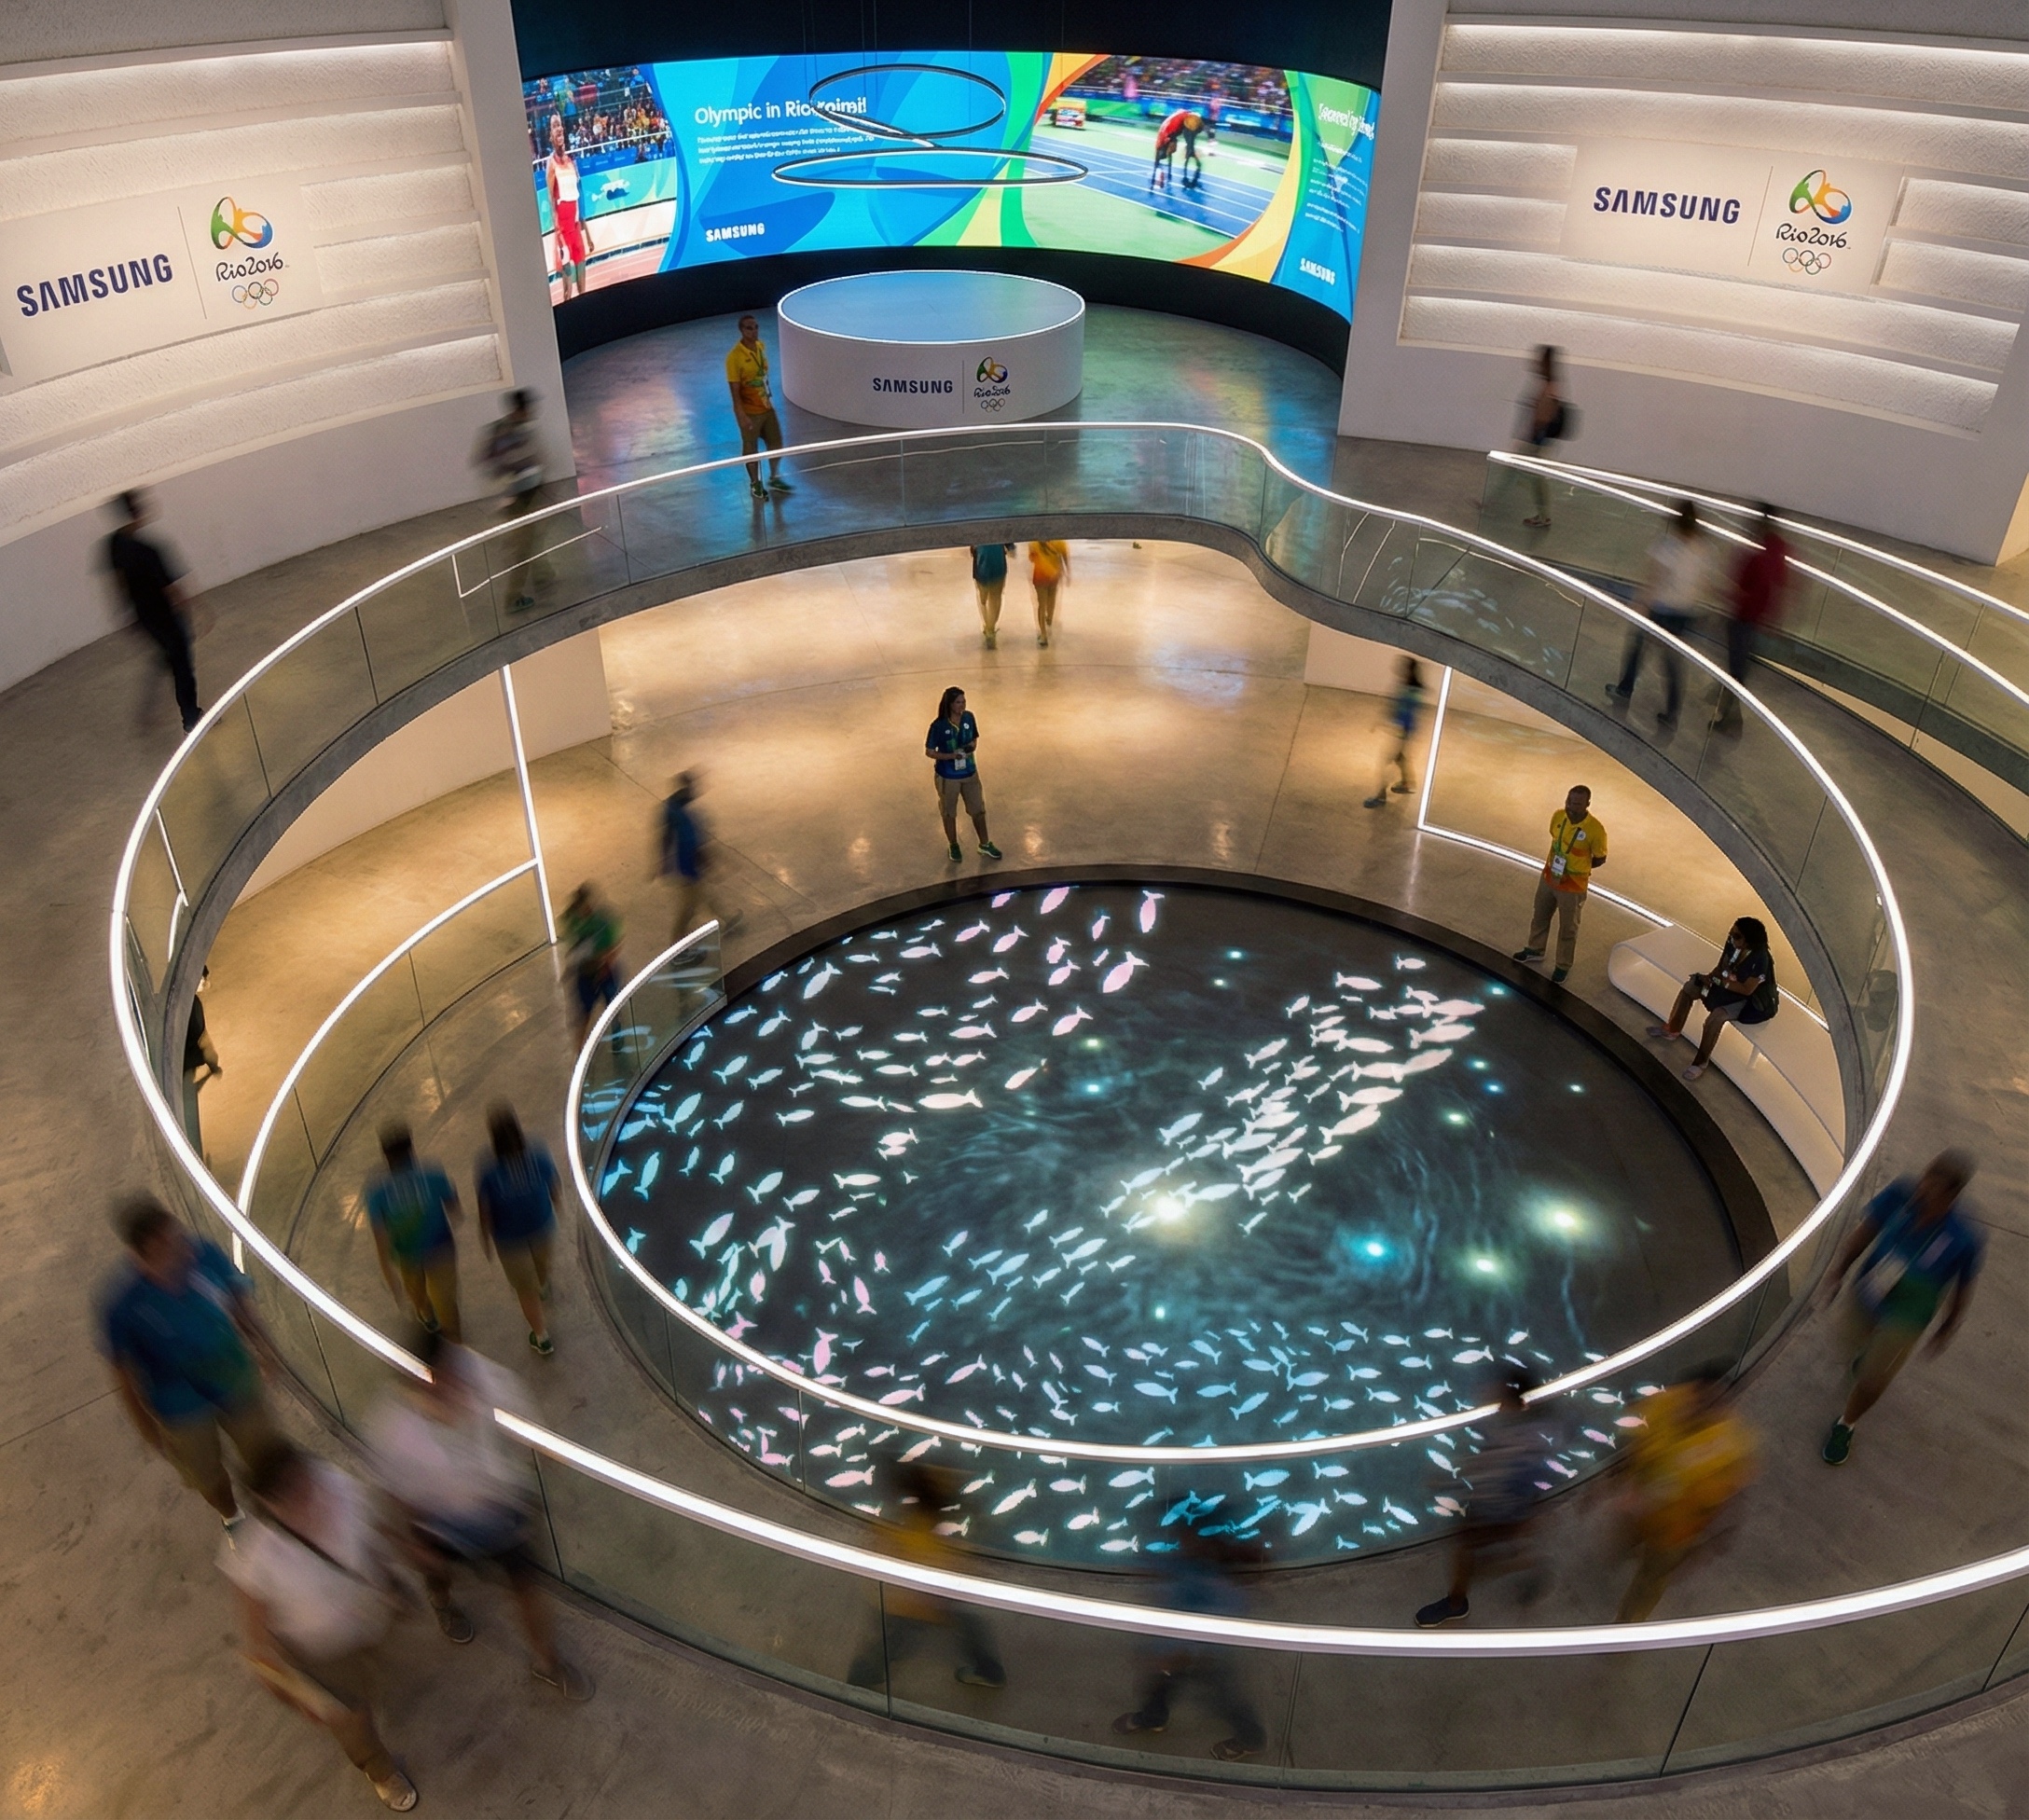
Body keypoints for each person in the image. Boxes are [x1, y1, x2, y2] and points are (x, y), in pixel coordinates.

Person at [366, 1332, 593, 1699]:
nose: (447, 1387)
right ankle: (442, 1601)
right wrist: (412, 1542)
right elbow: (393, 1492)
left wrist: (544, 1454)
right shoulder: (393, 1426)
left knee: (528, 1587)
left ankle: (548, 1662)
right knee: (439, 1575)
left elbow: (527, 1428)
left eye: (449, 1375)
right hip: (439, 1522)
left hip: (500, 1511)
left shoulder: (486, 1377)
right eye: (434, 1380)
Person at [221, 1441, 418, 1812]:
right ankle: (379, 1770)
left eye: (303, 1482)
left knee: (374, 1674)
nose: (306, 1498)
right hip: (323, 1654)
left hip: (370, 1615)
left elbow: (372, 1527)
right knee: (353, 1720)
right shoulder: (256, 1553)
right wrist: (297, 1696)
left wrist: (392, 1571)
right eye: (290, 1495)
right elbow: (257, 1644)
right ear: (268, 1504)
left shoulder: (334, 1484)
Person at [100, 1198, 278, 1525]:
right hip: (180, 1410)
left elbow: (241, 1305)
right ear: (151, 1249)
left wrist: (267, 1351)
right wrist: (149, 1431)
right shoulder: (122, 1305)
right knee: (206, 1475)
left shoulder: (205, 1255)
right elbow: (125, 1376)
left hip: (235, 1380)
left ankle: (279, 1516)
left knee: (266, 1454)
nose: (189, 1249)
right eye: (176, 1242)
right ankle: (232, 1517)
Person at [1816, 1152, 1981, 1467]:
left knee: (1872, 1379)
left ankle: (1846, 1424)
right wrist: (1839, 1270)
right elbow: (1865, 1231)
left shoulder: (1963, 1239)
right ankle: (1865, 1354)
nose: (1922, 1191)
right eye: (1924, 1180)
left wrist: (1949, 1326)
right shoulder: (1900, 1195)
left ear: (1951, 1196)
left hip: (1908, 1314)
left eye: (1932, 1189)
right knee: (1847, 1343)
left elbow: (1963, 1287)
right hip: (1868, 1292)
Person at [1112, 1524, 1267, 1761]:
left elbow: (1218, 1620)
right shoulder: (1194, 1563)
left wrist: (1178, 1655)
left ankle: (1252, 1739)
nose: (1182, 1539)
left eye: (1189, 1535)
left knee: (1222, 1696)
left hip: (1204, 1654)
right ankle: (1153, 1718)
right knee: (1163, 1685)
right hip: (1174, 1645)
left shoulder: (1221, 1586)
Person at [848, 1459, 1003, 1691]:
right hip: (920, 1597)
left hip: (912, 1598)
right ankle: (988, 1671)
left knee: (899, 1635)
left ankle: (864, 1674)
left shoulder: (912, 1520)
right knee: (904, 1634)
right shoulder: (922, 1522)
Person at [1615, 1368, 1757, 1622]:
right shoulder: (1663, 1404)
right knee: (1619, 1544)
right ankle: (1619, 1553)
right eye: (1700, 1396)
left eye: (1715, 1402)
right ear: (1693, 1389)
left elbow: (1732, 1500)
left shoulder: (1731, 1446)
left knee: (1649, 1585)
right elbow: (1631, 1445)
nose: (1704, 1406)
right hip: (1635, 1512)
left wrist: (1708, 1546)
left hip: (1675, 1537)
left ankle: (1626, 1626)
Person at [1415, 1370, 1548, 1626]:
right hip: (1496, 1506)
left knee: (1468, 1552)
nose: (1492, 1395)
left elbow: (1507, 1471)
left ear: (1511, 1397)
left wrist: (1449, 1482)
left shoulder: (1520, 1438)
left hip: (1496, 1509)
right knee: (1482, 1550)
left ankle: (1457, 1602)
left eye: (1499, 1393)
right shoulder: (1510, 1422)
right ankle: (1528, 1566)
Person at [1608, 499, 1713, 730]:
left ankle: (1625, 689)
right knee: (1672, 662)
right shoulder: (1701, 548)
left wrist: (1641, 603)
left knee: (1638, 646)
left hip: (1662, 609)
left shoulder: (1667, 546)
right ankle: (1672, 712)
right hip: (1683, 611)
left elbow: (1654, 579)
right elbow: (1704, 582)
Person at [104, 489, 200, 733]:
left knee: (166, 656)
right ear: (137, 512)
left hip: (144, 617)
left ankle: (148, 711)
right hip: (165, 617)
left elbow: (118, 580)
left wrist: (125, 611)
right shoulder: (149, 550)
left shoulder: (114, 544)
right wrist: (195, 611)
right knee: (182, 666)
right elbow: (171, 589)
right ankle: (191, 718)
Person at [476, 1104, 562, 1356]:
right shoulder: (538, 1151)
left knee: (525, 1289)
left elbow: (486, 1207)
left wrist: (485, 1235)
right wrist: (557, 1208)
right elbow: (553, 1184)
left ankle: (541, 1335)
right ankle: (544, 1286)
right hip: (542, 1226)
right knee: (540, 1268)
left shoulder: (487, 1167)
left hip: (509, 1239)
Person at [1648, 917, 1777, 1082]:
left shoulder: (1761, 959)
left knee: (1715, 1018)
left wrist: (1721, 982)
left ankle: (1700, 1062)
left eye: (1737, 936)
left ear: (1749, 940)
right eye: (1731, 934)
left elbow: (1747, 990)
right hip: (1724, 987)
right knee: (1690, 988)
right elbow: (1722, 966)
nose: (1731, 938)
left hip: (1747, 1001)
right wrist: (1709, 978)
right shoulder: (1732, 944)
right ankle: (1672, 1029)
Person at [364, 1124, 462, 1342]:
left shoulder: (377, 1191)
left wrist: (389, 1275)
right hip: (441, 1247)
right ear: (411, 1148)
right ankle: (455, 1344)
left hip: (406, 1256)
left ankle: (427, 1315)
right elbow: (455, 1208)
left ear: (385, 1155)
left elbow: (380, 1237)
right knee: (446, 1301)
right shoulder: (433, 1174)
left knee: (417, 1295)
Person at [1511, 784, 1607, 985]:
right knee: (1540, 915)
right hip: (1549, 878)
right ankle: (1535, 949)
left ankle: (1563, 965)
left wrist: (1576, 867)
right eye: (1569, 801)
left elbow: (1599, 858)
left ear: (1587, 804)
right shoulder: (1558, 816)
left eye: (1577, 804)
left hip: (1573, 887)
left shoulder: (1595, 830)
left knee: (1568, 928)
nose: (1571, 806)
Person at [1713, 504, 1790, 732]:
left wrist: (1724, 594)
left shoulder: (1755, 550)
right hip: (1756, 619)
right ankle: (1729, 711)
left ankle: (1731, 717)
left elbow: (1743, 587)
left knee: (1736, 670)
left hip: (1743, 617)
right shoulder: (1776, 548)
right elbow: (1780, 584)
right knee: (1738, 668)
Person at [475, 389, 545, 613]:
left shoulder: (516, 430)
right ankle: (513, 598)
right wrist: (509, 485)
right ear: (519, 410)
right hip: (518, 499)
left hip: (529, 494)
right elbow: (492, 463)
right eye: (528, 408)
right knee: (523, 548)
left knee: (533, 537)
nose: (532, 412)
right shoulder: (505, 433)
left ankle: (543, 576)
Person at [659, 771, 743, 942]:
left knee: (706, 895)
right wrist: (711, 864)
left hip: (687, 862)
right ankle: (677, 942)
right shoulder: (684, 812)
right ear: (685, 789)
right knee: (690, 906)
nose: (694, 791)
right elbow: (692, 843)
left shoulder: (672, 806)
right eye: (691, 788)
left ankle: (727, 918)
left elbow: (668, 836)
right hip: (686, 865)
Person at [926, 685, 1002, 865]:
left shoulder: (969, 717)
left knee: (978, 810)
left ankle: (984, 843)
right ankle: (953, 844)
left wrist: (971, 747)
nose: (962, 705)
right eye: (958, 702)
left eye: (964, 701)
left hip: (970, 773)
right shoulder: (938, 726)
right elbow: (929, 752)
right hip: (947, 776)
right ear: (949, 704)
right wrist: (951, 756)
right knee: (949, 812)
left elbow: (974, 738)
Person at [726, 313, 792, 503]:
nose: (754, 331)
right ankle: (755, 483)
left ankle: (774, 477)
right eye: (749, 328)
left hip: (766, 407)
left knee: (776, 444)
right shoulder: (734, 358)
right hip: (750, 412)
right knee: (751, 448)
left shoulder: (761, 347)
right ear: (741, 330)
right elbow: (735, 392)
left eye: (756, 327)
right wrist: (741, 416)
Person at [562, 884, 625, 1044]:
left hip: (604, 971)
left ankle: (617, 1034)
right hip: (586, 972)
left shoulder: (602, 920)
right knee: (585, 1014)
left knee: (611, 1008)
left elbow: (614, 946)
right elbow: (574, 947)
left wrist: (604, 963)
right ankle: (580, 1051)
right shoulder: (574, 920)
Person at [1364, 655, 1427, 807]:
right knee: (1400, 758)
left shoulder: (1412, 690)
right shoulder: (1407, 687)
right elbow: (1396, 707)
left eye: (1403, 667)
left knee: (1385, 762)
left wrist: (1397, 727)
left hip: (1404, 732)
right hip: (1404, 731)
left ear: (1409, 671)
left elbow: (1406, 712)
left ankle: (1380, 796)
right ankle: (1407, 783)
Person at [1516, 344, 1566, 529]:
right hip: (1538, 439)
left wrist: (1532, 434)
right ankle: (1543, 515)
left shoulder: (1550, 387)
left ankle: (1544, 516)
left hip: (1539, 440)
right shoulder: (1548, 385)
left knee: (1535, 478)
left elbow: (1544, 416)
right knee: (1533, 477)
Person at [545, 114, 592, 297]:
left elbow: (578, 200)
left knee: (583, 286)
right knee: (568, 290)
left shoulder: (572, 162)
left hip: (576, 230)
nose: (559, 129)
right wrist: (558, 236)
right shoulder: (551, 165)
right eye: (554, 126)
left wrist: (587, 234)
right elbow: (551, 201)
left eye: (560, 125)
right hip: (563, 233)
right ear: (550, 135)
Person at [1152, 108, 1210, 190]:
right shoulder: (1175, 126)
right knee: (1190, 153)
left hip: (1184, 124)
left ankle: (1186, 179)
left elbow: (1168, 148)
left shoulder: (1171, 131)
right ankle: (1188, 178)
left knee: (1189, 153)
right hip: (1184, 124)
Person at [970, 543, 1014, 648]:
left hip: (981, 560)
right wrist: (1011, 547)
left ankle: (988, 626)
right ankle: (991, 628)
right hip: (997, 558)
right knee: (996, 597)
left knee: (983, 597)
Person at [1028, 539, 1070, 646]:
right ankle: (1049, 618)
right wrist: (1067, 572)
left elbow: (1032, 558)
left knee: (1041, 605)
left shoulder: (1034, 542)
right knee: (1052, 598)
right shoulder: (1060, 542)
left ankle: (1043, 635)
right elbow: (1065, 557)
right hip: (1054, 575)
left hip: (1039, 576)